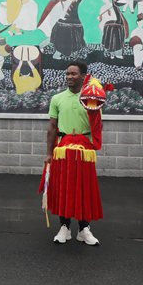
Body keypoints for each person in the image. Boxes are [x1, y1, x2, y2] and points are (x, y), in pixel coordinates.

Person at [44, 61, 104, 246]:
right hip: (63, 149)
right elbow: (52, 127)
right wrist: (49, 153)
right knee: (64, 189)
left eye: (74, 74)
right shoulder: (57, 99)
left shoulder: (91, 98)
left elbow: (97, 124)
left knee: (84, 189)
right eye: (68, 73)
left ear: (83, 75)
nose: (69, 77)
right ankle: (64, 228)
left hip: (84, 150)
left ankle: (84, 229)